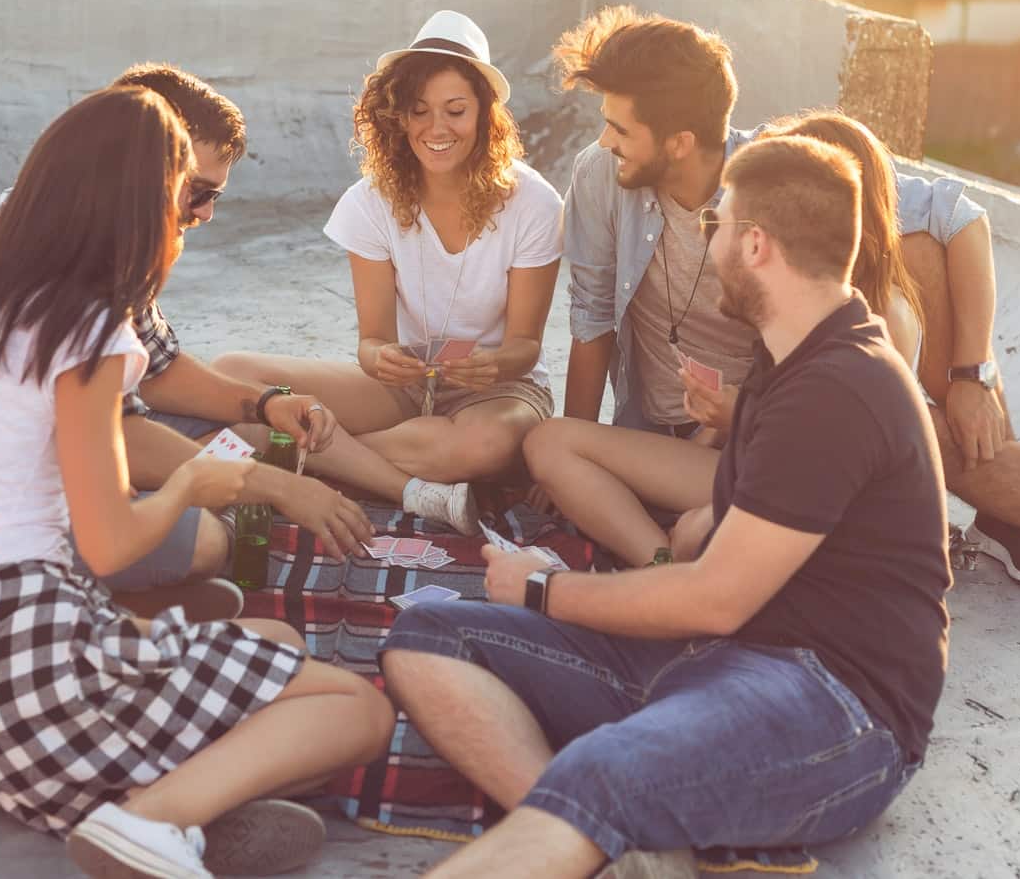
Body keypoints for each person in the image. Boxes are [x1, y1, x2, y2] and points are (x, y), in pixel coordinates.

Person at [526, 8, 1020, 607]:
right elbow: (592, 320)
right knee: (558, 448)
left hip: (777, 434)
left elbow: (954, 211)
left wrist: (973, 371)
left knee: (918, 292)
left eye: (620, 128)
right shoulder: (600, 182)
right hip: (686, 438)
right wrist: (595, 443)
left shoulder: (779, 174)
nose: (603, 143)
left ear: (678, 140)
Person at [0, 86, 393, 879]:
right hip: (35, 670)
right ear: (138, 203)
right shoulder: (88, 324)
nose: (188, 220)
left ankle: (178, 812)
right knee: (356, 709)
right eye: (185, 197)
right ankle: (150, 821)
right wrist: (195, 487)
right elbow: (108, 542)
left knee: (274, 650)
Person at [381, 136, 950, 877]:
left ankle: (591, 815)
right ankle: (610, 842)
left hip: (834, 702)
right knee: (429, 633)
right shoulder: (797, 358)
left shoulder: (838, 387)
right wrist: (693, 536)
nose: (705, 242)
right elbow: (735, 534)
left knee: (605, 766)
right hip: (720, 656)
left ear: (755, 244)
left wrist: (543, 587)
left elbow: (715, 599)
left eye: (716, 225)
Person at [0, 63, 378, 595]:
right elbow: (116, 454)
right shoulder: (82, 304)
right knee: (210, 534)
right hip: (6, 560)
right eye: (198, 192)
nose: (206, 214)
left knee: (232, 458)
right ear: (145, 175)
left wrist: (261, 406)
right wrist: (260, 486)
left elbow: (159, 377)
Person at [215, 11, 563, 536]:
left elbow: (526, 347)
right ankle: (393, 472)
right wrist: (384, 358)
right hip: (408, 389)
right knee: (230, 371)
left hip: (499, 393)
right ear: (398, 117)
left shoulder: (534, 202)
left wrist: (490, 365)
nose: (437, 128)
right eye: (419, 111)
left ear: (485, 115)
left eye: (456, 110)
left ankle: (285, 452)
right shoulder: (371, 200)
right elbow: (372, 342)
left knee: (479, 445)